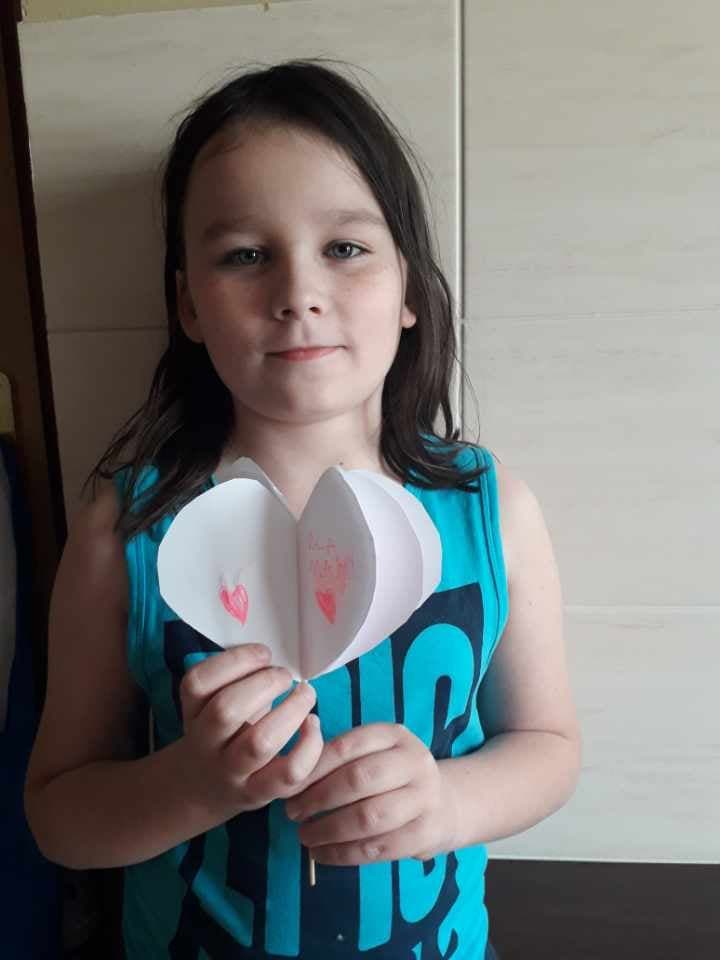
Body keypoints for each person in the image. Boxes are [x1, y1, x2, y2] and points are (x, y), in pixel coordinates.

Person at [24, 59, 581, 959]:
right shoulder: (125, 531)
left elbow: (549, 745)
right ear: (188, 304)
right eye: (245, 256)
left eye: (346, 249)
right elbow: (57, 814)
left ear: (409, 289)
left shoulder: (490, 510)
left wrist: (447, 802)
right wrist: (192, 785)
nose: (297, 294)